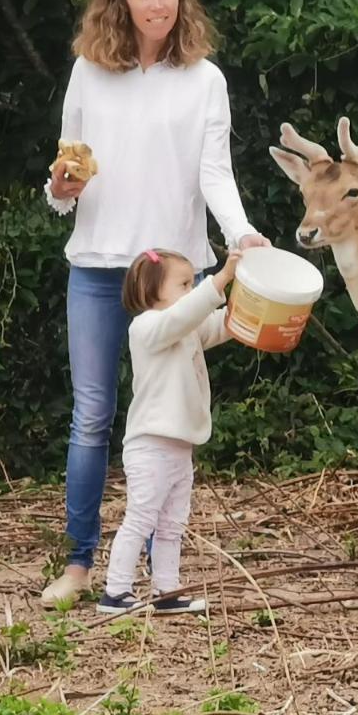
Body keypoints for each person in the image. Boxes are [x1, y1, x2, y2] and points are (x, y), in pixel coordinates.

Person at [41, 0, 269, 607]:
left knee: (166, 421)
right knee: (91, 417)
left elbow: (214, 174)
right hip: (98, 268)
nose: (157, 4)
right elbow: (67, 171)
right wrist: (60, 188)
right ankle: (80, 565)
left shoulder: (206, 79)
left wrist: (241, 235)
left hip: (174, 277)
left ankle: (147, 573)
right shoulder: (89, 70)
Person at [97, 247, 240, 615]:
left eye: (194, 282)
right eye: (184, 283)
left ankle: (167, 589)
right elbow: (187, 315)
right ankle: (116, 590)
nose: (192, 290)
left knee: (172, 523)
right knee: (142, 517)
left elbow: (223, 323)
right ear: (152, 289)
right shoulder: (147, 327)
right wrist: (219, 280)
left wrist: (254, 303)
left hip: (180, 447)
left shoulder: (184, 326)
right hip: (150, 446)